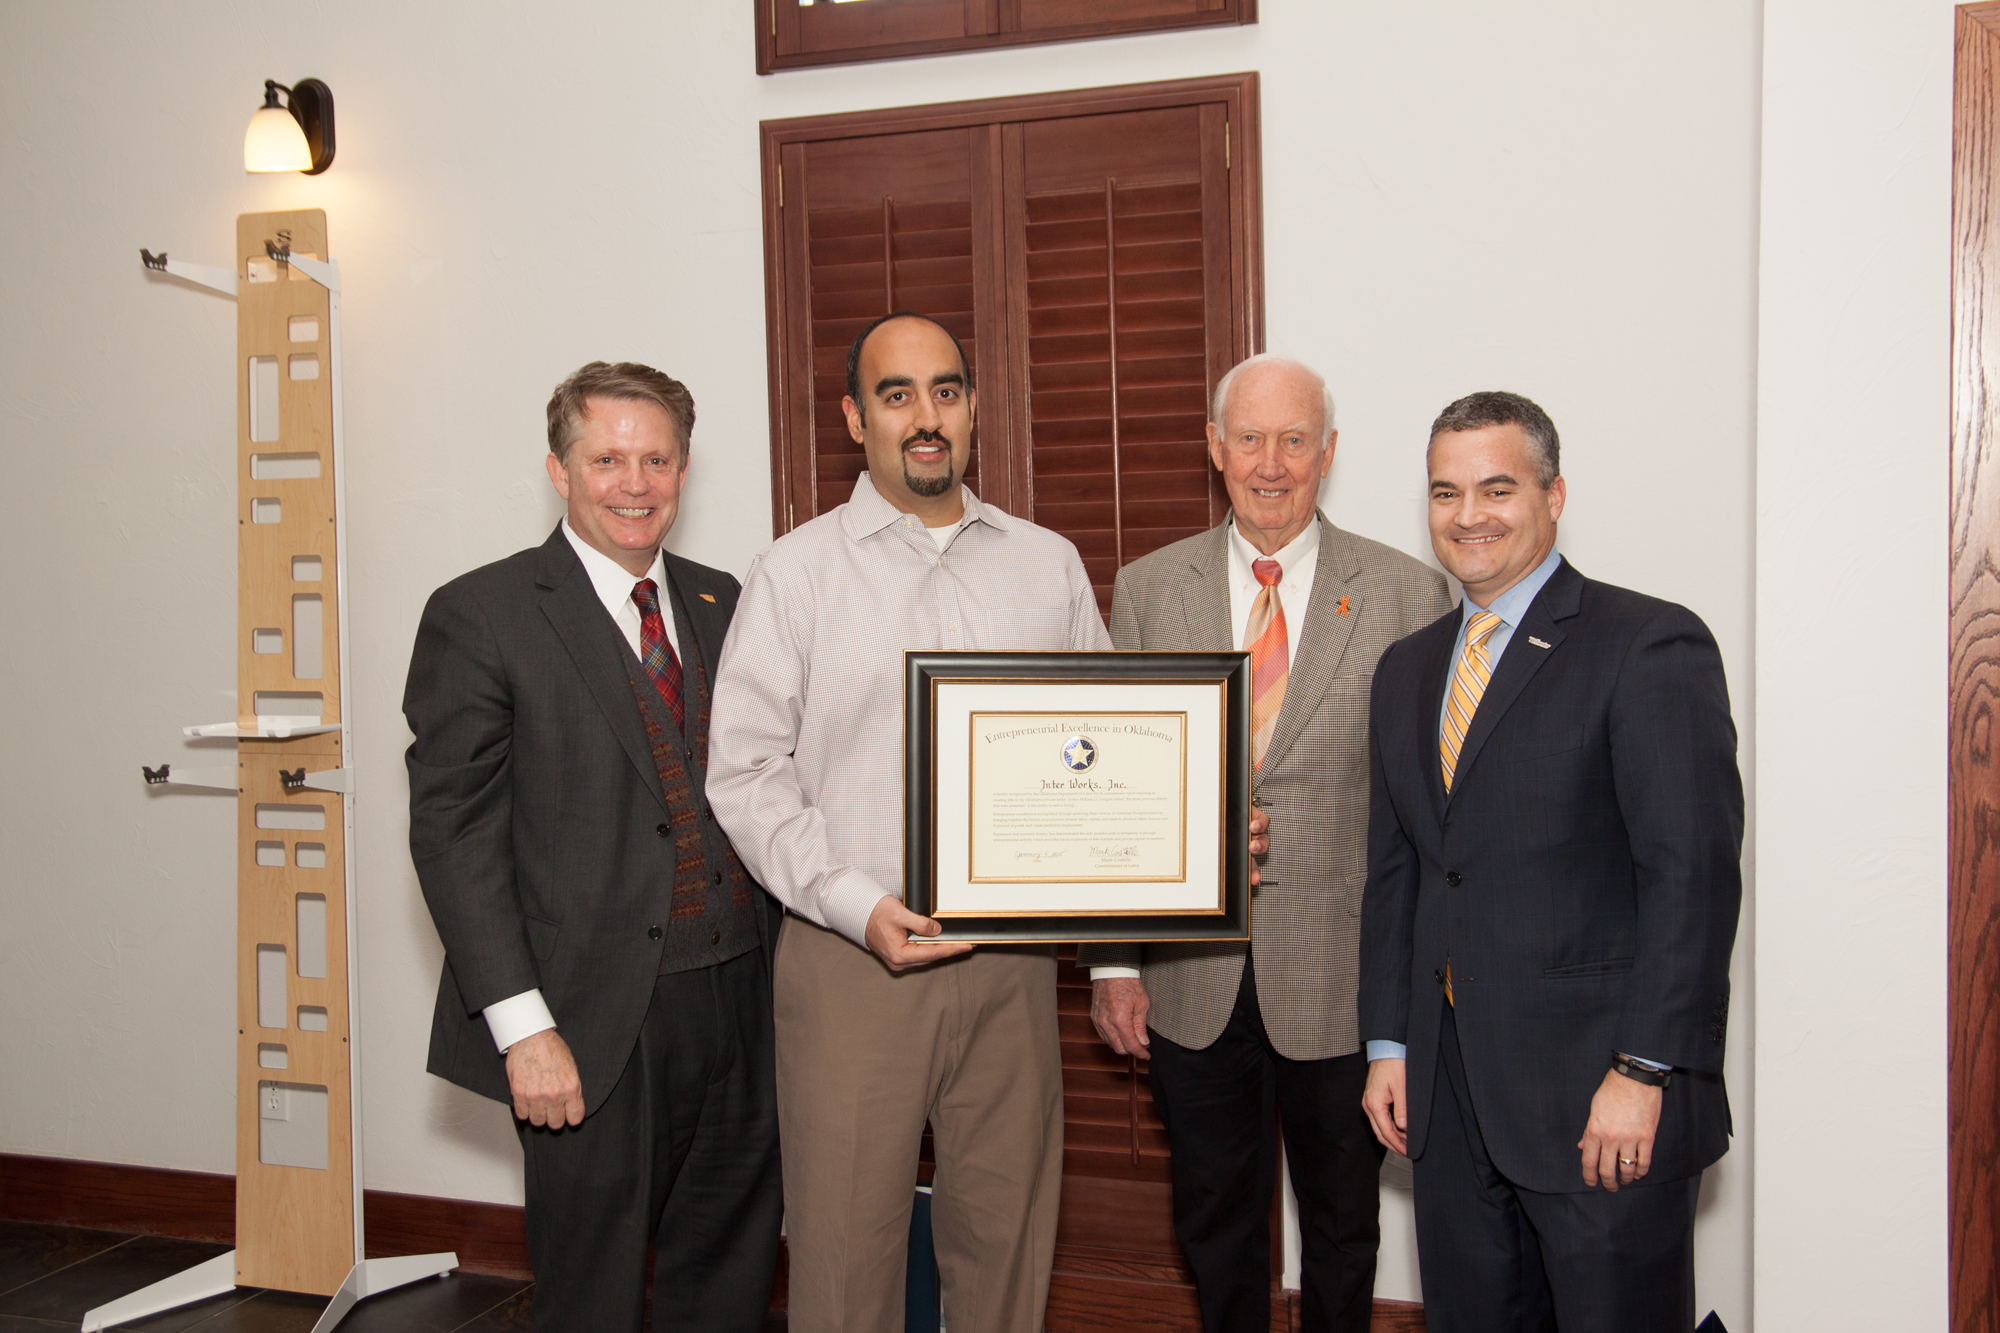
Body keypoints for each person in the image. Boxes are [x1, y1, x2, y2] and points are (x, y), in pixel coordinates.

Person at [707, 311, 1125, 1333]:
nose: (924, 416)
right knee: (846, 1264)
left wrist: (1172, 857)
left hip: (1013, 967)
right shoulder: (792, 575)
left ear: (973, 408)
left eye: (945, 390)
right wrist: (856, 905)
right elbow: (746, 773)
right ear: (855, 417)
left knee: (1004, 1245)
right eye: (896, 394)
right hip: (851, 964)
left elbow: (1108, 754)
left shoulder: (1046, 564)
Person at [403, 362, 784, 1333]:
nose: (634, 482)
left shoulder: (721, 599)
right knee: (593, 1294)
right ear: (556, 468)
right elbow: (454, 836)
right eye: (606, 457)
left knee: (730, 1269)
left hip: (745, 997)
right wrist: (522, 1026)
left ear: (685, 471)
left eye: (656, 458)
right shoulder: (481, 613)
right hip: (587, 1018)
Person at [1077, 354, 1452, 1333]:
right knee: (1212, 1220)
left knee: (1342, 1224)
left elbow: (1430, 816)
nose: (1271, 462)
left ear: (1326, 453)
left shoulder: (1409, 594)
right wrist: (1112, 958)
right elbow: (1116, 785)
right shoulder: (1150, 588)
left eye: (1294, 439)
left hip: (1343, 977)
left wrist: (1418, 996)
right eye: (1250, 437)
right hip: (1191, 979)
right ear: (1215, 447)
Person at [1357, 391, 1741, 1332]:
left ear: (1554, 494)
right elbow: (1401, 871)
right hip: (1447, 1104)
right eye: (1447, 492)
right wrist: (1389, 1045)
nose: (1469, 515)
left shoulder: (1648, 642)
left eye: (1498, 488)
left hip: (1599, 1103)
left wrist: (1643, 1071)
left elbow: (1691, 878)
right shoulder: (1407, 668)